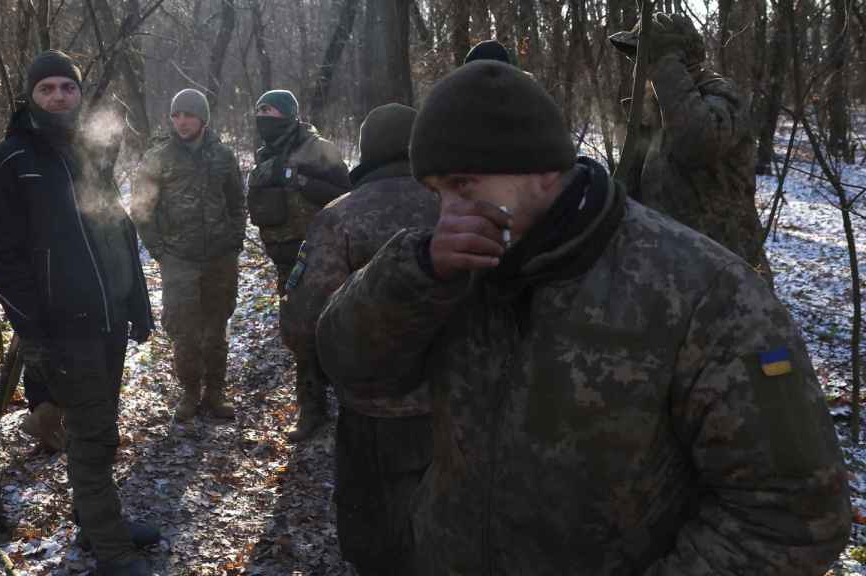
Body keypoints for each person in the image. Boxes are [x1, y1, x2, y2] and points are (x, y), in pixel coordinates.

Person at [316, 60, 851, 575]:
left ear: (544, 173)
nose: (447, 213)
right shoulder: (452, 268)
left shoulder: (703, 294)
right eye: (436, 193)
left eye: (464, 185)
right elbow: (348, 365)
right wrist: (415, 275)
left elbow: (792, 515)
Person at [0, 50, 158, 576]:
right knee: (94, 433)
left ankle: (96, 519)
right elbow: (2, 259)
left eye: (68, 87)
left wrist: (137, 305)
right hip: (62, 327)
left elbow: (117, 233)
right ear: (29, 96)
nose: (59, 96)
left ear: (80, 94)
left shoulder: (91, 156)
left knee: (97, 427)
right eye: (47, 88)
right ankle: (110, 546)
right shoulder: (7, 162)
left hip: (109, 321)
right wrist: (34, 332)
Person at [282, 103, 437, 573]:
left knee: (374, 529)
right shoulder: (458, 205)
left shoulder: (341, 217)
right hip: (458, 400)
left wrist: (321, 371)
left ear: (368, 150)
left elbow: (302, 320)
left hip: (372, 407)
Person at [609, 13, 772, 280]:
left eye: (645, 57)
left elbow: (697, 143)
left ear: (673, 60)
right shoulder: (658, 108)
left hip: (726, 271)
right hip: (674, 270)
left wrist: (665, 65)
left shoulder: (719, 94)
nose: (639, 67)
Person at [131, 89, 245, 423]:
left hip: (220, 258)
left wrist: (234, 239)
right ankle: (190, 393)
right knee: (185, 330)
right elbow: (142, 209)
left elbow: (237, 202)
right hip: (179, 259)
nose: (181, 122)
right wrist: (160, 250)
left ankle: (215, 393)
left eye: (189, 115)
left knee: (216, 327)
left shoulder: (223, 156)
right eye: (176, 115)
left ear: (203, 119)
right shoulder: (158, 158)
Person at [246, 89, 350, 440]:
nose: (264, 117)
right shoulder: (263, 155)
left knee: (334, 326)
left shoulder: (318, 148)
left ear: (289, 114)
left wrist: (295, 178)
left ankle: (350, 401)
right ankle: (312, 407)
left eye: (271, 110)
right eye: (260, 110)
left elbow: (346, 192)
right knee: (298, 333)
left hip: (325, 254)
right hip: (285, 258)